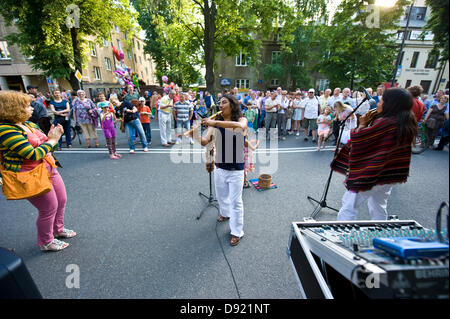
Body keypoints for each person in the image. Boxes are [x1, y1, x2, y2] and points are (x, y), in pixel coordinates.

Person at [0, 91, 76, 251]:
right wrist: (53, 140)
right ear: (13, 109)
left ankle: (58, 229)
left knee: (61, 201)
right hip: (29, 175)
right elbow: (32, 154)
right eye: (27, 106)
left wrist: (54, 137)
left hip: (48, 167)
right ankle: (46, 242)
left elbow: (48, 147)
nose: (32, 108)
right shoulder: (5, 130)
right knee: (48, 208)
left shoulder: (29, 124)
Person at [331, 88, 417, 221]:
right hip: (389, 175)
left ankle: (342, 236)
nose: (377, 103)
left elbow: (358, 139)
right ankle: (380, 234)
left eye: (381, 100)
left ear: (390, 104)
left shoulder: (386, 123)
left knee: (349, 204)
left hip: (374, 174)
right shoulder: (405, 121)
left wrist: (362, 124)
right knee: (378, 205)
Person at [190, 94, 247, 246]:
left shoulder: (241, 120)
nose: (220, 105)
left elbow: (240, 128)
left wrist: (214, 122)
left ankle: (237, 232)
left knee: (236, 202)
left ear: (232, 105)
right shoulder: (214, 124)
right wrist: (194, 134)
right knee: (221, 196)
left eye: (224, 102)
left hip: (236, 169)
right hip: (220, 166)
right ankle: (225, 213)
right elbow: (205, 142)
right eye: (219, 103)